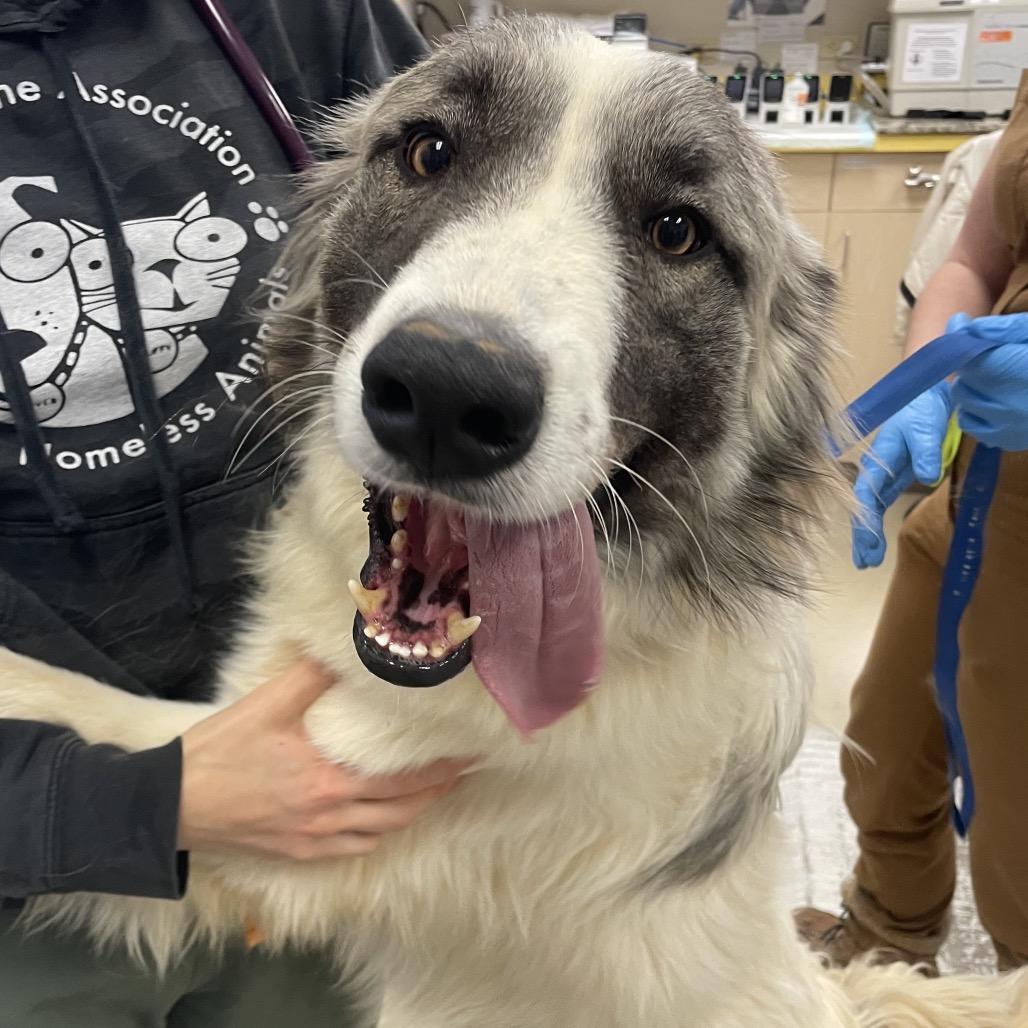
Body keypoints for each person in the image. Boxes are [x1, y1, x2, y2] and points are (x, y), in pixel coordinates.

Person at [0, 2, 470, 1025]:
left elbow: (469, 270)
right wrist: (149, 800)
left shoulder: (302, 18)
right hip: (34, 881)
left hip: (338, 816)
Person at [795, 70, 1028, 974]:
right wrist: (924, 382)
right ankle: (889, 937)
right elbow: (978, 258)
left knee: (1016, 819)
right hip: (980, 492)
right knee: (886, 742)